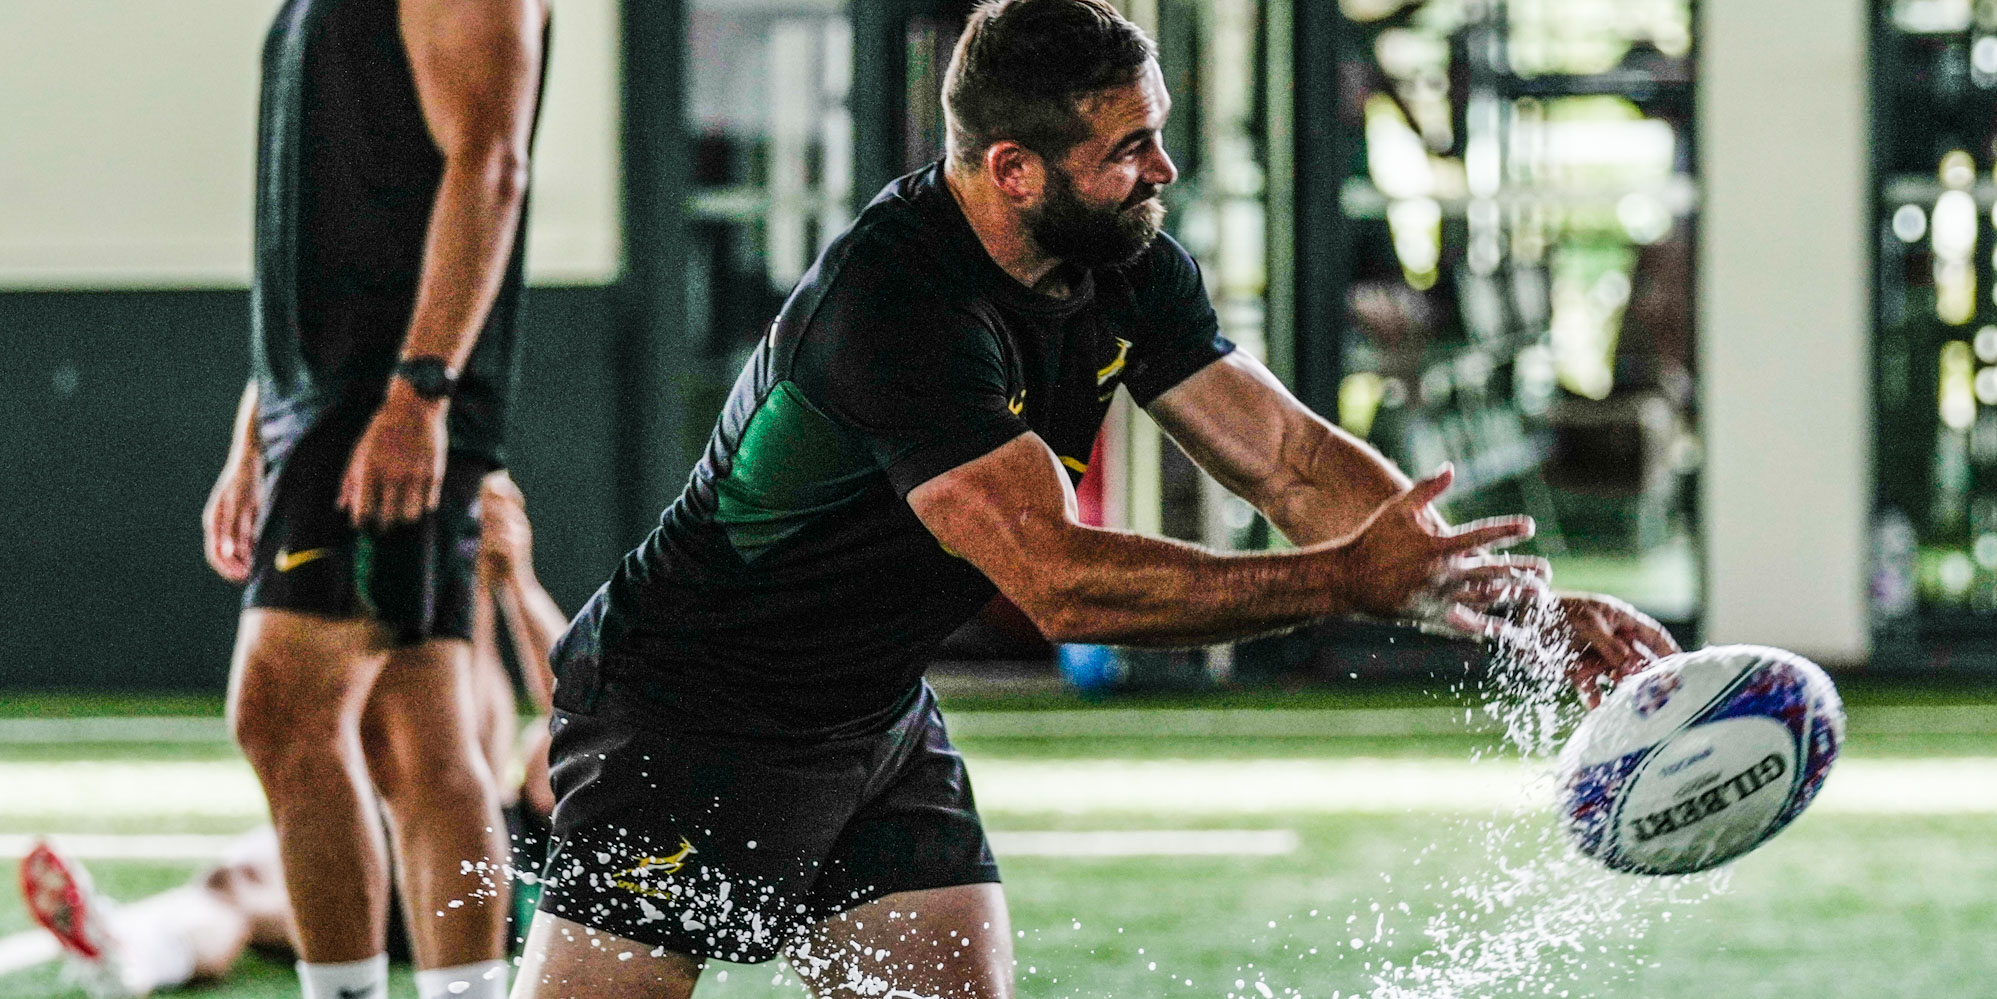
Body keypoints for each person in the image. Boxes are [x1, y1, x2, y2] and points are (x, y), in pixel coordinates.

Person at [510, 3, 1679, 998]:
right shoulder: (895, 305)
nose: (1160, 170)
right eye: (1128, 149)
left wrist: (1507, 602)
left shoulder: (1124, 261)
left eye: (1156, 134)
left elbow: (1284, 458)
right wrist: (1337, 584)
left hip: (867, 715)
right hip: (690, 710)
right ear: (1013, 168)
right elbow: (1060, 584)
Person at [197, 2, 549, 999]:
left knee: (277, 710)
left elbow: (491, 165)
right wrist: (258, 423)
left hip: (384, 393)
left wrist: (418, 392)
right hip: (326, 396)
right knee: (417, 734)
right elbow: (322, 220)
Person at [30, 475, 567, 998]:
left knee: (503, 758)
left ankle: (140, 952)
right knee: (237, 881)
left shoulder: (545, 778)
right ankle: (136, 958)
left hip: (489, 880)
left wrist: (517, 582)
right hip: (424, 837)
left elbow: (576, 710)